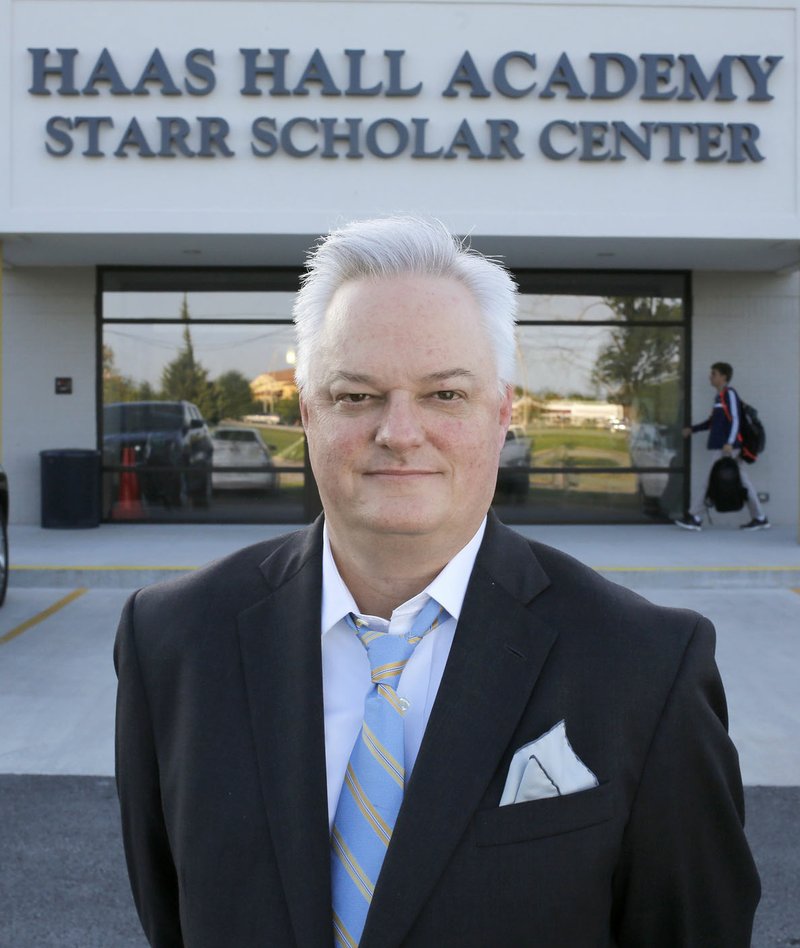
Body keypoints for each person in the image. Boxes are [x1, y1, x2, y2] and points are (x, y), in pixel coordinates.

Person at [114, 218, 760, 948]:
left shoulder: (647, 666)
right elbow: (169, 915)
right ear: (307, 417)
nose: (399, 431)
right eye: (356, 396)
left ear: (500, 413)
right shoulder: (172, 642)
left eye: (444, 395)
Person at [675, 361, 769, 531]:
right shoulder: (719, 398)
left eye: (714, 374)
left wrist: (730, 442)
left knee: (709, 480)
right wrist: (692, 430)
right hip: (726, 446)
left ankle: (695, 517)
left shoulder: (729, 394)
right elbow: (713, 423)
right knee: (743, 482)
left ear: (723, 377)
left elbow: (735, 419)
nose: (710, 377)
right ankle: (760, 517)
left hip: (728, 448)